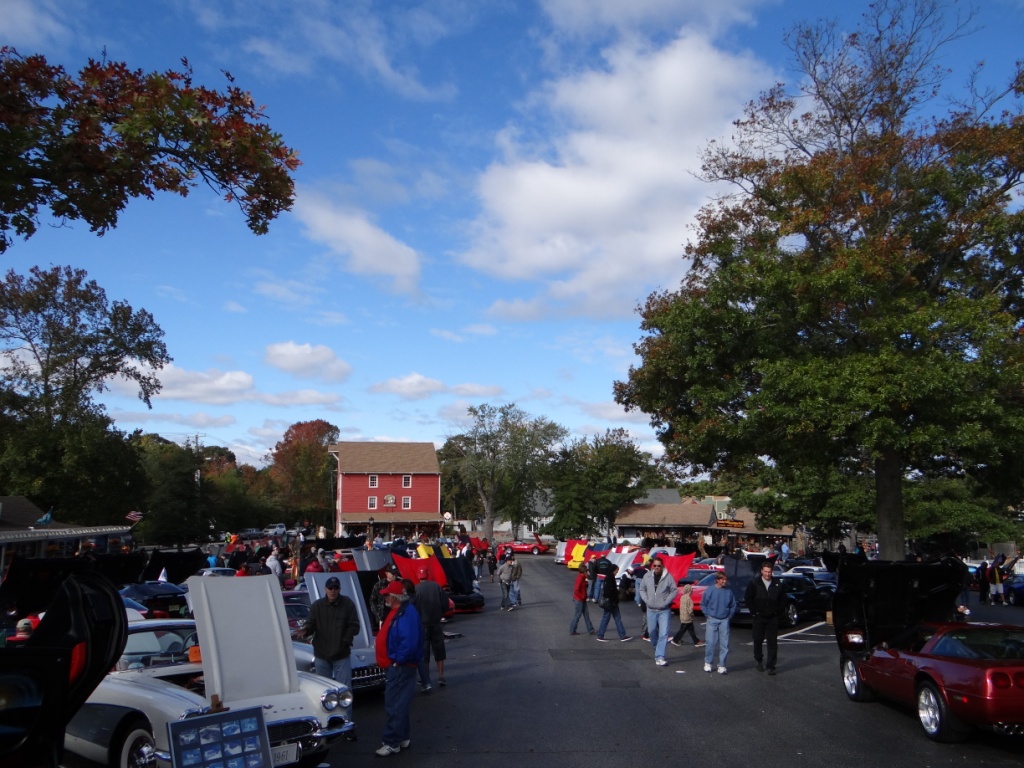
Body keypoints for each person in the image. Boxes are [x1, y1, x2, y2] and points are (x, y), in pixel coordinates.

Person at [302, 576, 360, 722]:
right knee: (323, 692)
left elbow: (355, 625)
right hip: (321, 654)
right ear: (325, 589)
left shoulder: (347, 604)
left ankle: (347, 722)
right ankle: (327, 722)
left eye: (336, 588)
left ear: (339, 589)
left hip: (341, 654)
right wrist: (306, 630)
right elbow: (310, 624)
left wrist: (346, 640)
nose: (333, 591)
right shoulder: (317, 606)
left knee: (344, 691)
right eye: (330, 588)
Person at [375, 581, 423, 757]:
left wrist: (398, 661)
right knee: (400, 703)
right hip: (398, 664)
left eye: (387, 595)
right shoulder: (401, 611)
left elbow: (408, 641)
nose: (385, 597)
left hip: (400, 666)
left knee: (394, 703)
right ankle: (401, 737)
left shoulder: (405, 613)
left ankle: (392, 742)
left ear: (394, 597)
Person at [744, 561, 786, 675]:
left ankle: (771, 666)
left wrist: (778, 612)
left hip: (773, 617)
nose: (768, 574)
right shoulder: (754, 583)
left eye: (769, 572)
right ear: (762, 571)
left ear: (772, 571)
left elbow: (783, 600)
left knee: (772, 642)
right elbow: (748, 598)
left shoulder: (777, 583)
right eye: (765, 572)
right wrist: (755, 612)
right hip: (759, 617)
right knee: (758, 640)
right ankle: (759, 660)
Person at [413, 567, 447, 691]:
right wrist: (441, 613)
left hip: (423, 624)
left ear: (418, 576)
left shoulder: (416, 589)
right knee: (439, 649)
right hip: (436, 622)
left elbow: (413, 607)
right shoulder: (436, 586)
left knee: (424, 651)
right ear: (428, 575)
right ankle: (441, 676)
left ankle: (425, 678)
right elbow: (446, 604)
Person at [637, 556, 676, 666]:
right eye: (655, 565)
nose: (657, 567)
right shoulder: (647, 576)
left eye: (659, 566)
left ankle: (660, 656)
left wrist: (666, 601)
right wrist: (647, 600)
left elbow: (674, 590)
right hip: (651, 609)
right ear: (652, 566)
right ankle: (657, 649)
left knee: (663, 634)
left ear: (662, 566)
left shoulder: (668, 577)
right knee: (652, 633)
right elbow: (641, 589)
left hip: (664, 610)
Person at [702, 571, 737, 674]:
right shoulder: (710, 590)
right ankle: (708, 662)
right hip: (712, 619)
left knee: (724, 644)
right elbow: (703, 604)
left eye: (726, 580)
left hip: (724, 620)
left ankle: (722, 665)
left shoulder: (728, 592)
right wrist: (708, 614)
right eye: (722, 579)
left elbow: (733, 605)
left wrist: (729, 616)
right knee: (710, 643)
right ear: (718, 579)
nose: (724, 581)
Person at [595, 565, 632, 642]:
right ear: (613, 570)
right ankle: (621, 635)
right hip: (611, 602)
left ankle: (602, 635)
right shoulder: (610, 578)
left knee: (609, 618)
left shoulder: (608, 577)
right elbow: (609, 591)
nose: (617, 572)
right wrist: (614, 598)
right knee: (615, 618)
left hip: (610, 602)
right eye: (616, 571)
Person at [669, 583, 703, 647]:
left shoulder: (682, 597)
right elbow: (690, 609)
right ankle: (675, 640)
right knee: (683, 630)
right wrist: (692, 614)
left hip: (682, 616)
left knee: (690, 629)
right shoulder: (689, 599)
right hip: (688, 617)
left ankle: (696, 641)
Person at [370, 564, 400, 631]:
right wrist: (379, 615)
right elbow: (372, 600)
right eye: (393, 573)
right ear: (387, 573)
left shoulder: (400, 584)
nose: (395, 575)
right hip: (384, 617)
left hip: (397, 616)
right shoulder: (379, 585)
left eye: (396, 573)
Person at [569, 563, 595, 636]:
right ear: (584, 571)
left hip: (581, 599)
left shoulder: (582, 577)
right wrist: (583, 596)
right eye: (586, 571)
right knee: (578, 615)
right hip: (579, 599)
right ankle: (572, 630)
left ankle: (591, 629)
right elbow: (576, 590)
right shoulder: (580, 578)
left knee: (586, 614)